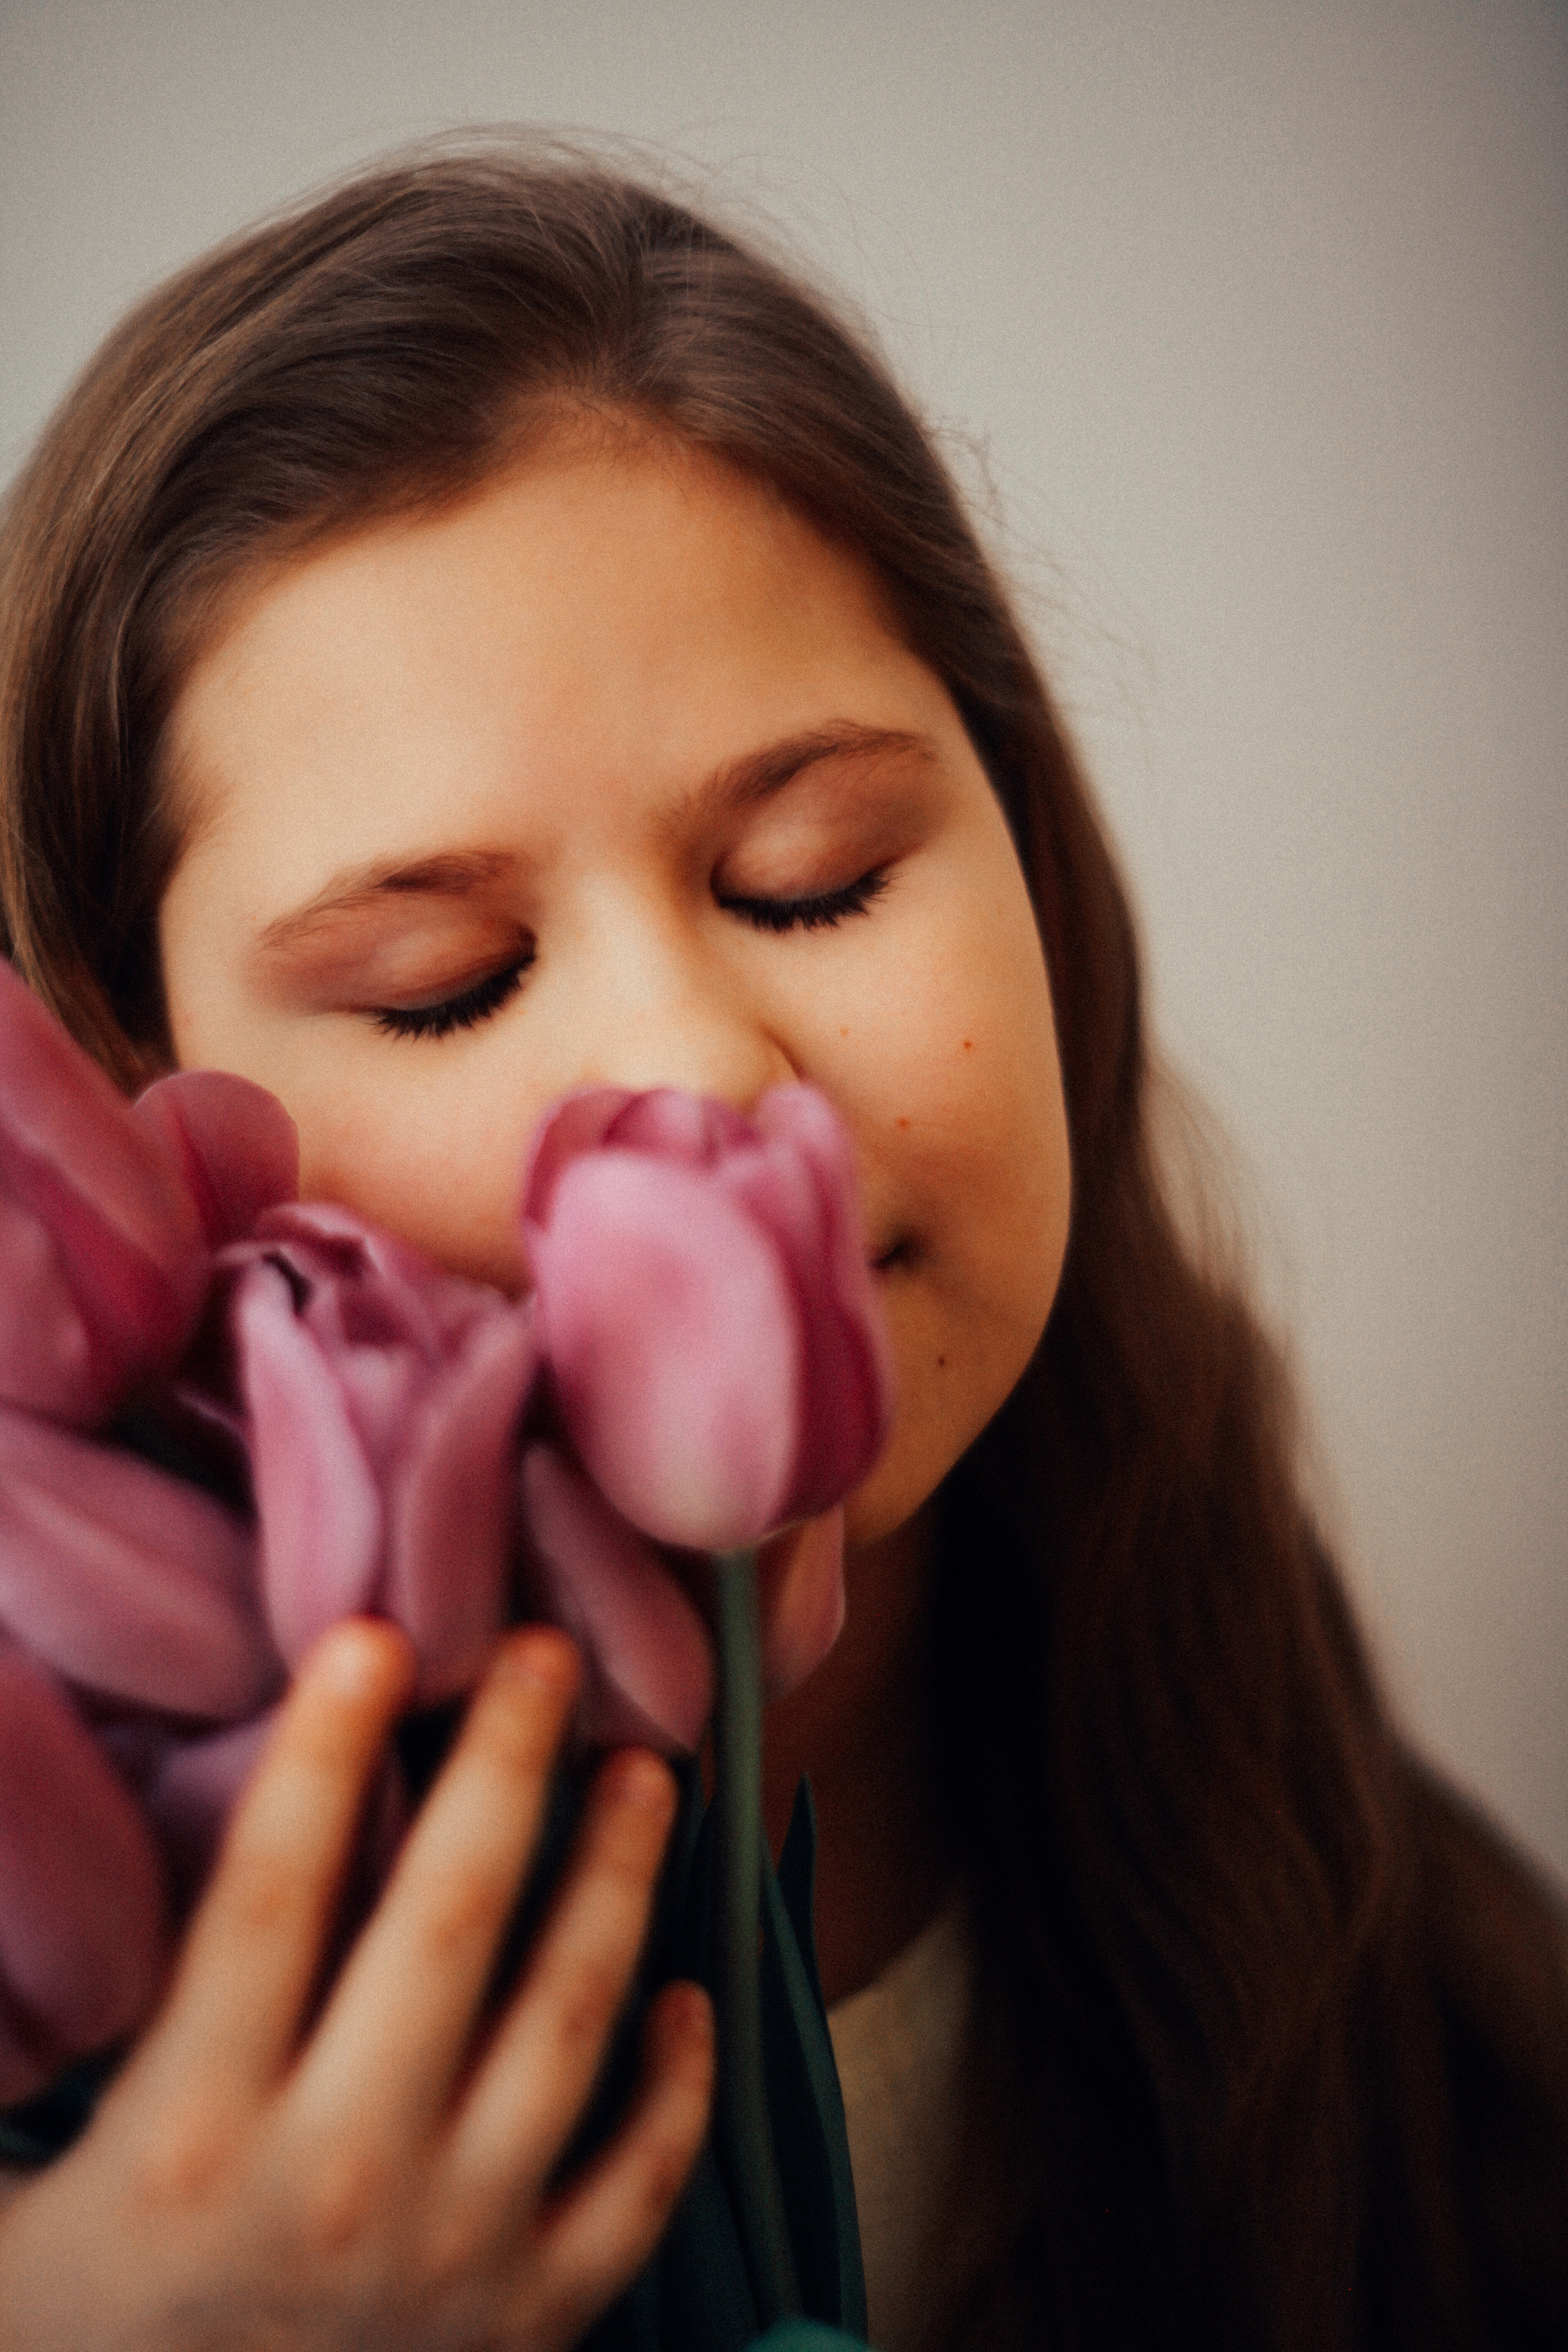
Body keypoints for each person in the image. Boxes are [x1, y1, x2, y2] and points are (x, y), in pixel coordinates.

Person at [0, 140, 1564, 2352]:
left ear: (1034, 870)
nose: (701, 1068)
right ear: (125, 1106)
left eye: (816, 873)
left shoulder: (1408, 2000)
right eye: (446, 979)